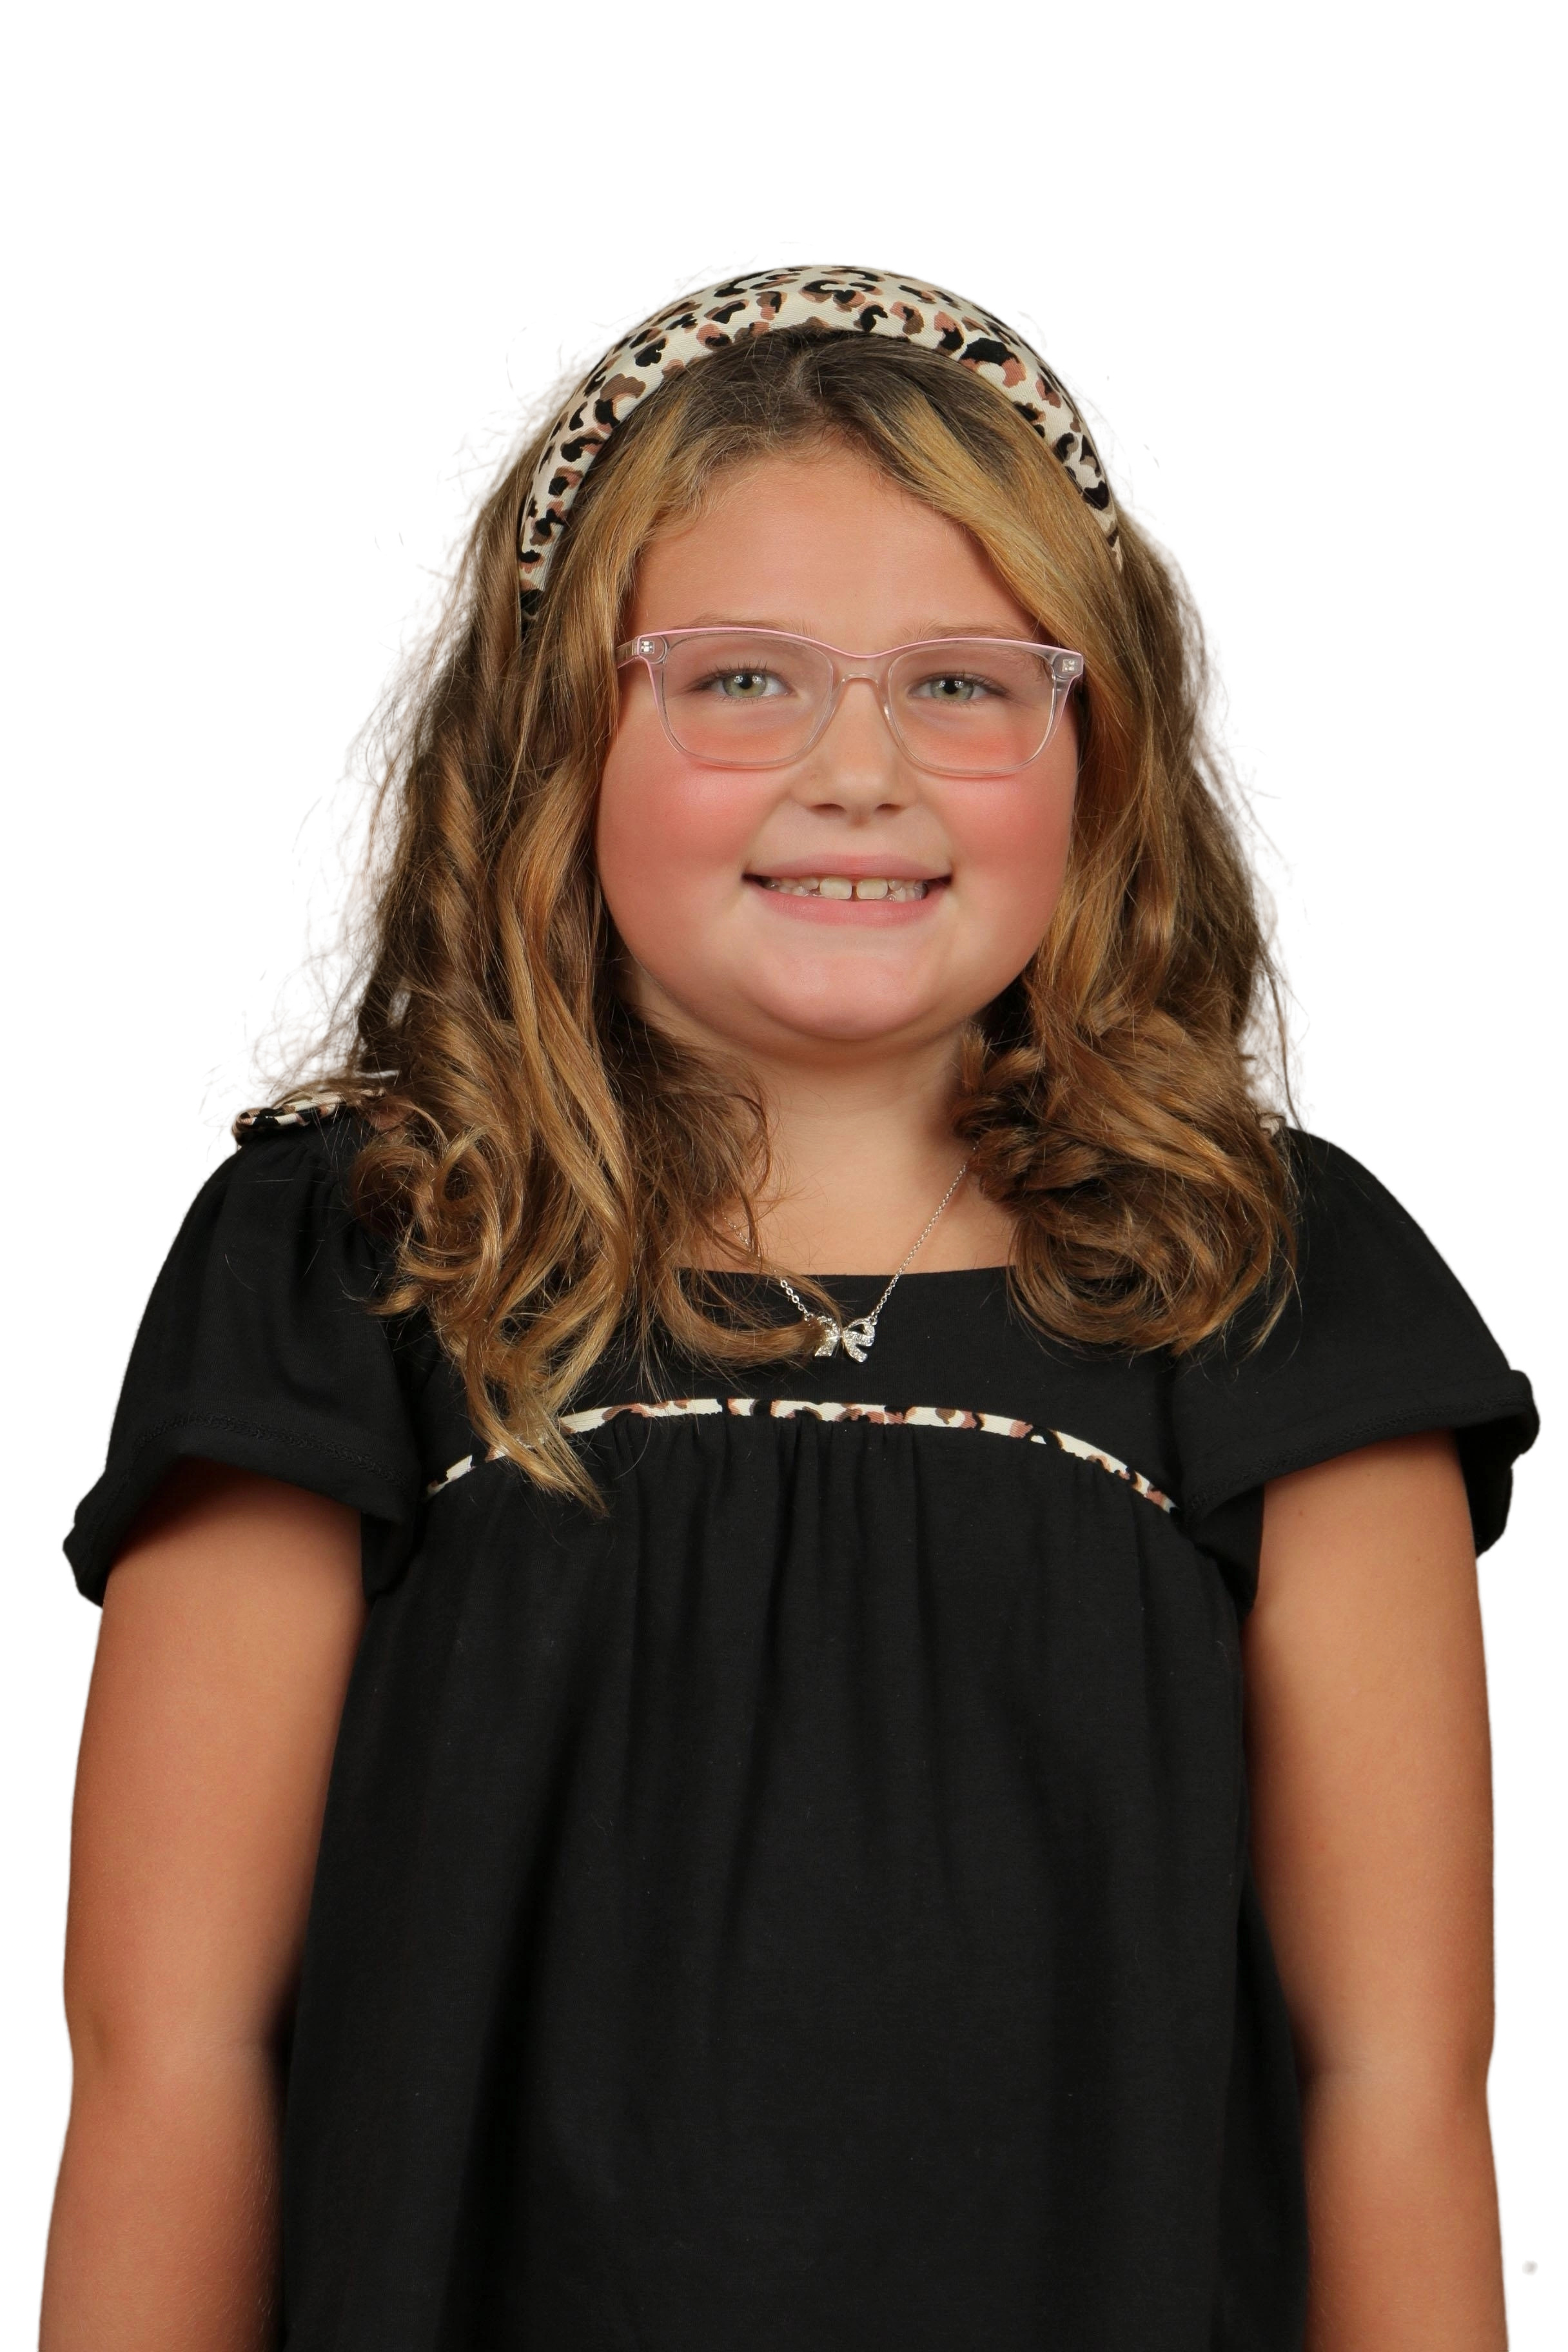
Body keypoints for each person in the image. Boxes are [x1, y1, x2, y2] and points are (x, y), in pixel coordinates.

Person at [41, 258, 1539, 2351]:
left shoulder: (1276, 1276)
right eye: (741, 678)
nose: (861, 771)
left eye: (964, 684)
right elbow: (171, 2048)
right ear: (553, 734)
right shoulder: (351, 1256)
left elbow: (1398, 2086)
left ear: (1102, 753)